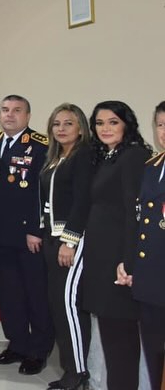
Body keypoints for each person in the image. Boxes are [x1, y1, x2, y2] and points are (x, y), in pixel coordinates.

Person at [81, 100, 150, 389]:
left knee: (121, 341)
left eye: (113, 122)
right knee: (111, 336)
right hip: (101, 258)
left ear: (126, 124)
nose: (105, 128)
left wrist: (128, 260)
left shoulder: (133, 155)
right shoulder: (109, 156)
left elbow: (136, 212)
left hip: (118, 262)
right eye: (99, 123)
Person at [0, 95, 53, 375]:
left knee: (35, 293)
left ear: (28, 116)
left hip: (28, 236)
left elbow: (42, 190)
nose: (9, 115)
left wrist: (35, 229)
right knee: (9, 294)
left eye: (16, 111)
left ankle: (39, 350)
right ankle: (17, 344)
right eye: (5, 110)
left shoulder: (40, 145)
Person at [39, 104, 94, 390]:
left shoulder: (83, 156)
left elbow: (82, 201)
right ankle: (69, 367)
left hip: (71, 241)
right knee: (58, 305)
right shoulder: (56, 158)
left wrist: (70, 241)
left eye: (68, 123)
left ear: (81, 128)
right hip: (52, 238)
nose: (61, 128)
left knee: (69, 306)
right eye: (56, 124)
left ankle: (78, 372)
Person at [117, 101, 165, 390]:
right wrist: (131, 264)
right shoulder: (152, 166)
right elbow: (143, 223)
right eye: (161, 125)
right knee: (153, 347)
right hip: (151, 277)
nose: (164, 132)